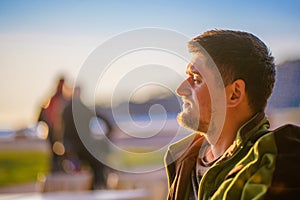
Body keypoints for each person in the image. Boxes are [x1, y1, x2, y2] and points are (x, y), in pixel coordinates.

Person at [165, 30, 300, 200]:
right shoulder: (183, 159)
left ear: (234, 93)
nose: (181, 90)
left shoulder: (276, 158)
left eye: (197, 79)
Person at [62, 86, 112, 189]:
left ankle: (95, 187)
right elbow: (97, 115)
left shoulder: (66, 109)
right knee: (98, 163)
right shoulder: (80, 107)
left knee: (96, 162)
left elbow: (60, 130)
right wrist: (109, 128)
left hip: (70, 146)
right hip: (80, 147)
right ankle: (98, 187)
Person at [38, 77, 70, 172]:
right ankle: (55, 168)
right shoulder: (54, 98)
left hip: (60, 130)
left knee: (61, 151)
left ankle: (59, 168)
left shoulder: (63, 98)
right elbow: (46, 113)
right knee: (55, 152)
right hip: (54, 130)